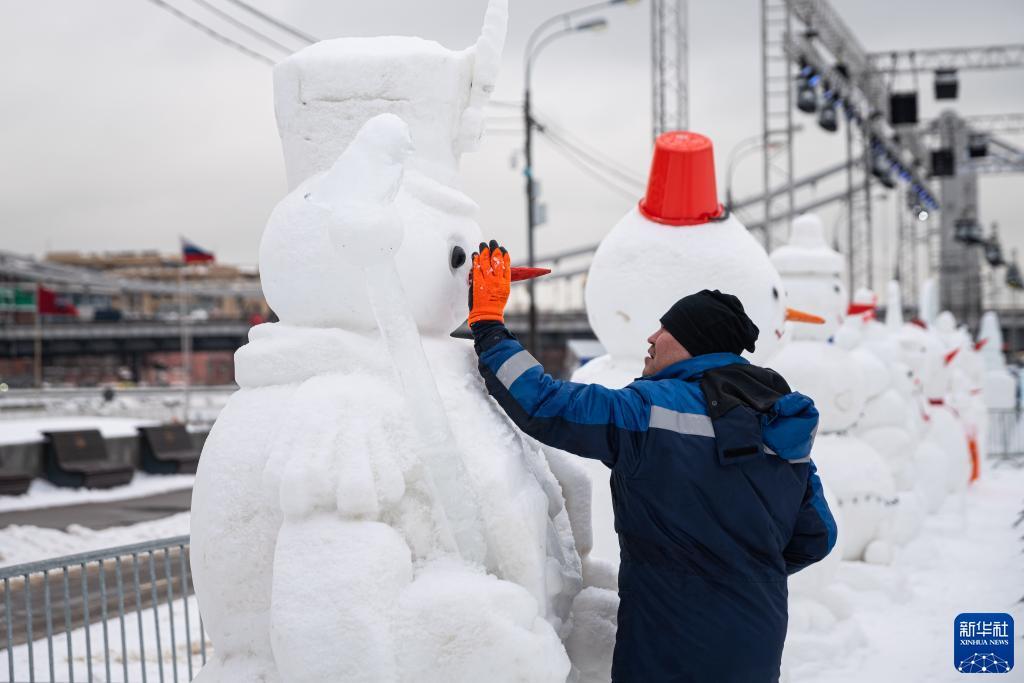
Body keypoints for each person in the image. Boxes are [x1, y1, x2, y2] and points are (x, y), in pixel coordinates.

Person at [467, 240, 837, 683]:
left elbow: (545, 404)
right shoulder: (780, 424)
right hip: (755, 645)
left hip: (668, 648)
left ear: (694, 344)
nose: (651, 337)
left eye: (665, 329)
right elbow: (818, 536)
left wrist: (489, 326)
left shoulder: (651, 411)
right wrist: (743, 567)